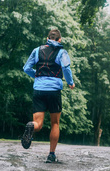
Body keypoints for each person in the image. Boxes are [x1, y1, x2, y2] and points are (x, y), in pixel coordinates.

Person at [21, 29, 75, 163]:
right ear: (60, 40)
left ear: (47, 38)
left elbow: (26, 68)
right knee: (55, 123)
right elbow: (66, 68)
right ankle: (51, 155)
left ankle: (31, 126)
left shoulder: (37, 50)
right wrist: (70, 83)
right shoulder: (62, 52)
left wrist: (38, 76)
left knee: (38, 124)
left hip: (39, 90)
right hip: (54, 91)